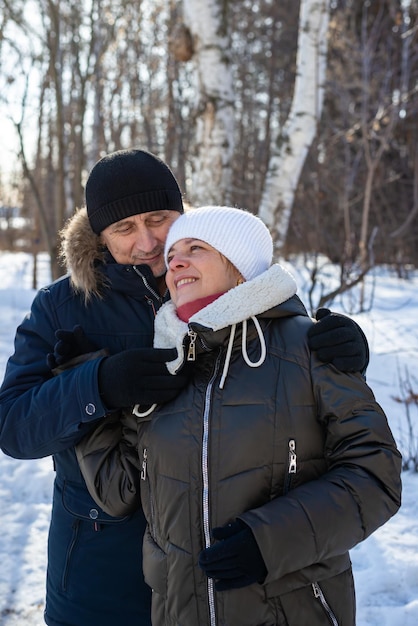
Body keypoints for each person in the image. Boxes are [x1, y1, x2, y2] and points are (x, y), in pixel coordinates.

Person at [0, 149, 370, 626]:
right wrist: (100, 384)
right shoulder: (62, 306)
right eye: (125, 229)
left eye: (159, 219)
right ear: (100, 235)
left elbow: (285, 341)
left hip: (220, 569)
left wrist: (341, 346)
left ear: (182, 212)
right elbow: (13, 426)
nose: (149, 242)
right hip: (102, 572)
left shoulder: (226, 274)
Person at [76, 206, 402, 626]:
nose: (175, 261)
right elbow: (118, 489)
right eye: (173, 253)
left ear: (239, 266)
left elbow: (376, 474)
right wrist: (89, 384)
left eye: (196, 248)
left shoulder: (309, 345)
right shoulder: (165, 365)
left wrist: (269, 541)